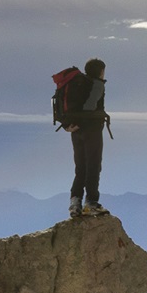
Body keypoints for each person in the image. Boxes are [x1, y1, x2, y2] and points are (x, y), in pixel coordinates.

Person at [60, 57, 111, 217]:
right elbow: (89, 107)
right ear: (101, 71)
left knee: (80, 168)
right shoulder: (96, 84)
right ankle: (91, 203)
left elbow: (72, 108)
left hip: (75, 132)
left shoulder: (77, 84)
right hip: (91, 131)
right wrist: (81, 123)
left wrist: (70, 125)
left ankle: (75, 203)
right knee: (94, 166)